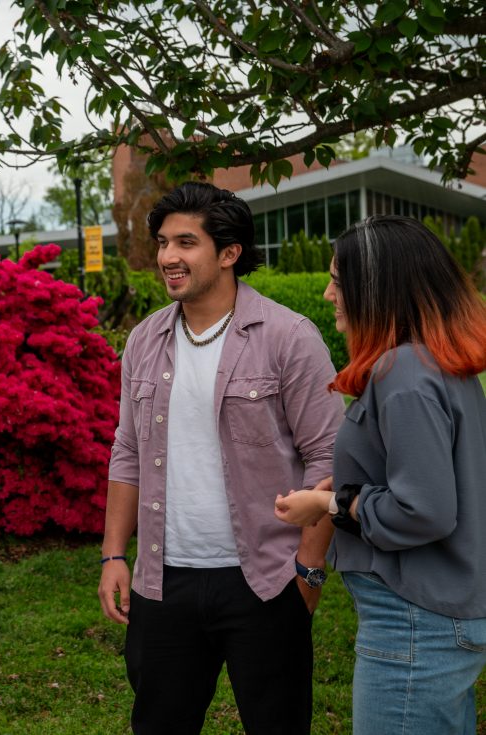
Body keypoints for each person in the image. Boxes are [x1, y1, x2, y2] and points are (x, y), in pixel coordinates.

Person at [98, 181, 345, 734]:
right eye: (163, 243)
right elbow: (129, 450)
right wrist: (115, 555)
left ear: (229, 253)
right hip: (164, 582)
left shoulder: (288, 337)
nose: (167, 257)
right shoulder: (143, 340)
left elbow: (328, 452)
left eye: (186, 243)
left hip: (266, 579)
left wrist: (307, 571)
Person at [274, 215, 486, 734]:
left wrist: (328, 506)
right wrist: (350, 490)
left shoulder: (404, 374)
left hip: (415, 622)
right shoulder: (439, 365)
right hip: (440, 615)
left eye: (339, 283)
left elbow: (425, 510)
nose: (328, 295)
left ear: (378, 290)